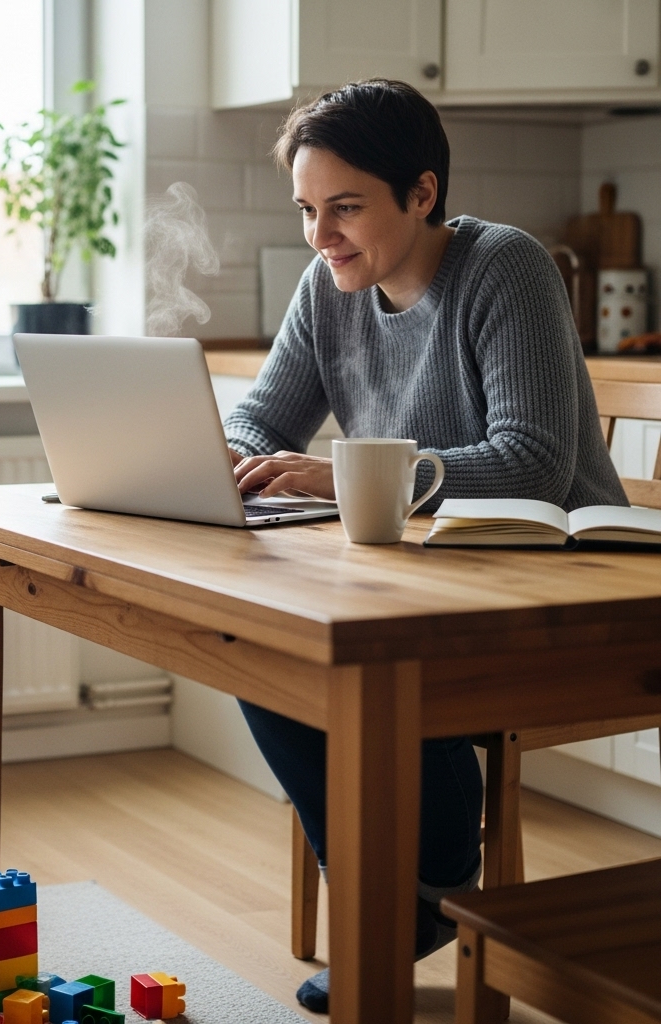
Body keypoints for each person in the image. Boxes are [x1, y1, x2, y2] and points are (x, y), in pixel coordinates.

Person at [224, 80, 626, 1013]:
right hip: (422, 566)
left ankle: (422, 889)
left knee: (363, 657)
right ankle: (393, 903)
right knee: (253, 640)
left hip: (550, 574)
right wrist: (232, 461)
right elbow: (262, 415)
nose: (321, 236)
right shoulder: (327, 288)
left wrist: (336, 474)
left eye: (345, 209)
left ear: (421, 192)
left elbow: (529, 463)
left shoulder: (505, 267)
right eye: (308, 212)